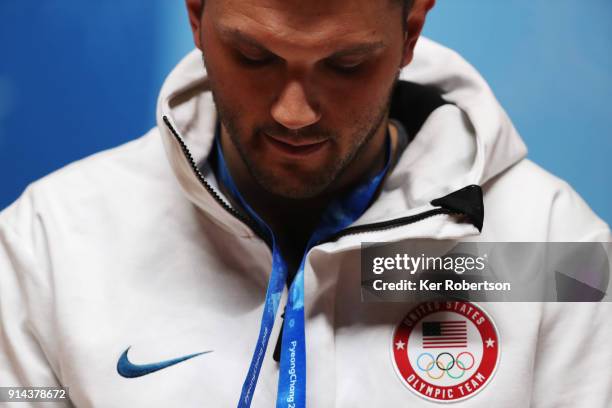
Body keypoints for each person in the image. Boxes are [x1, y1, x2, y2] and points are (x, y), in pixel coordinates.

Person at [0, 0, 610, 407]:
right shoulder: (51, 243)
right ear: (195, 14)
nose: (295, 114)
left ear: (411, 30)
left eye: (346, 65)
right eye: (254, 58)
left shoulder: (560, 252)